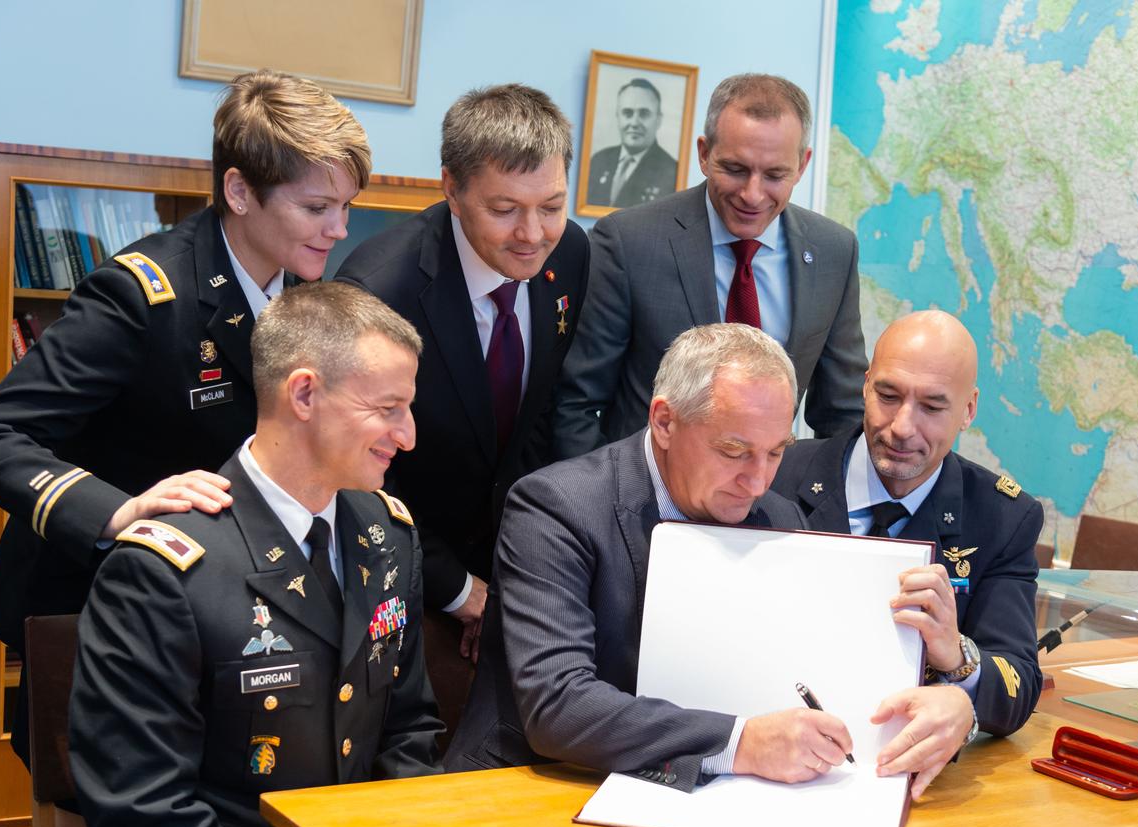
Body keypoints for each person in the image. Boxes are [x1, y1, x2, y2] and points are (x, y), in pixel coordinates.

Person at [0, 69, 371, 768]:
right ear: (240, 192)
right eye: (317, 207)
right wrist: (117, 511)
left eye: (346, 207)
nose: (340, 229)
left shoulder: (302, 288)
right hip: (103, 609)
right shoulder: (143, 294)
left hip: (232, 615)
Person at [69, 283, 442, 827]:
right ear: (304, 394)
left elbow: (408, 733)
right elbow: (144, 812)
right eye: (387, 409)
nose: (408, 435)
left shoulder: (388, 534)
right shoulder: (161, 571)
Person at [447, 323, 864, 790]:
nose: (758, 482)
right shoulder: (555, 507)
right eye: (734, 451)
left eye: (776, 453)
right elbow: (560, 705)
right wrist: (742, 743)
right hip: (538, 782)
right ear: (665, 422)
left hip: (722, 793)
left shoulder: (781, 518)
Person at [335, 85, 589, 674]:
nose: (533, 234)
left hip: (518, 570)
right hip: (404, 574)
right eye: (505, 210)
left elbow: (539, 416)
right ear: (451, 188)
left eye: (551, 206)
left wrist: (527, 572)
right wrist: (461, 591)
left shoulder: (570, 253)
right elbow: (356, 471)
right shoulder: (379, 292)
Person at [772, 310, 1044, 797]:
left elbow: (1019, 680)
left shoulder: (1003, 518)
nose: (902, 427)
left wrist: (959, 666)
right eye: (888, 396)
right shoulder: (776, 474)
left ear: (968, 410)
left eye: (933, 407)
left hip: (907, 782)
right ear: (864, 385)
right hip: (774, 759)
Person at [554, 73, 866, 460]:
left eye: (774, 175)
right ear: (704, 154)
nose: (752, 195)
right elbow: (576, 404)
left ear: (802, 165)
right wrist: (605, 493)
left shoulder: (834, 252)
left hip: (768, 490)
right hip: (644, 490)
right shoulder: (628, 242)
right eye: (735, 169)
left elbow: (842, 413)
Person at [586, 77, 678, 208]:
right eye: (627, 113)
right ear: (618, 117)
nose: (634, 123)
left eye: (644, 114)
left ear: (658, 120)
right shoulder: (598, 161)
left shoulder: (672, 172)